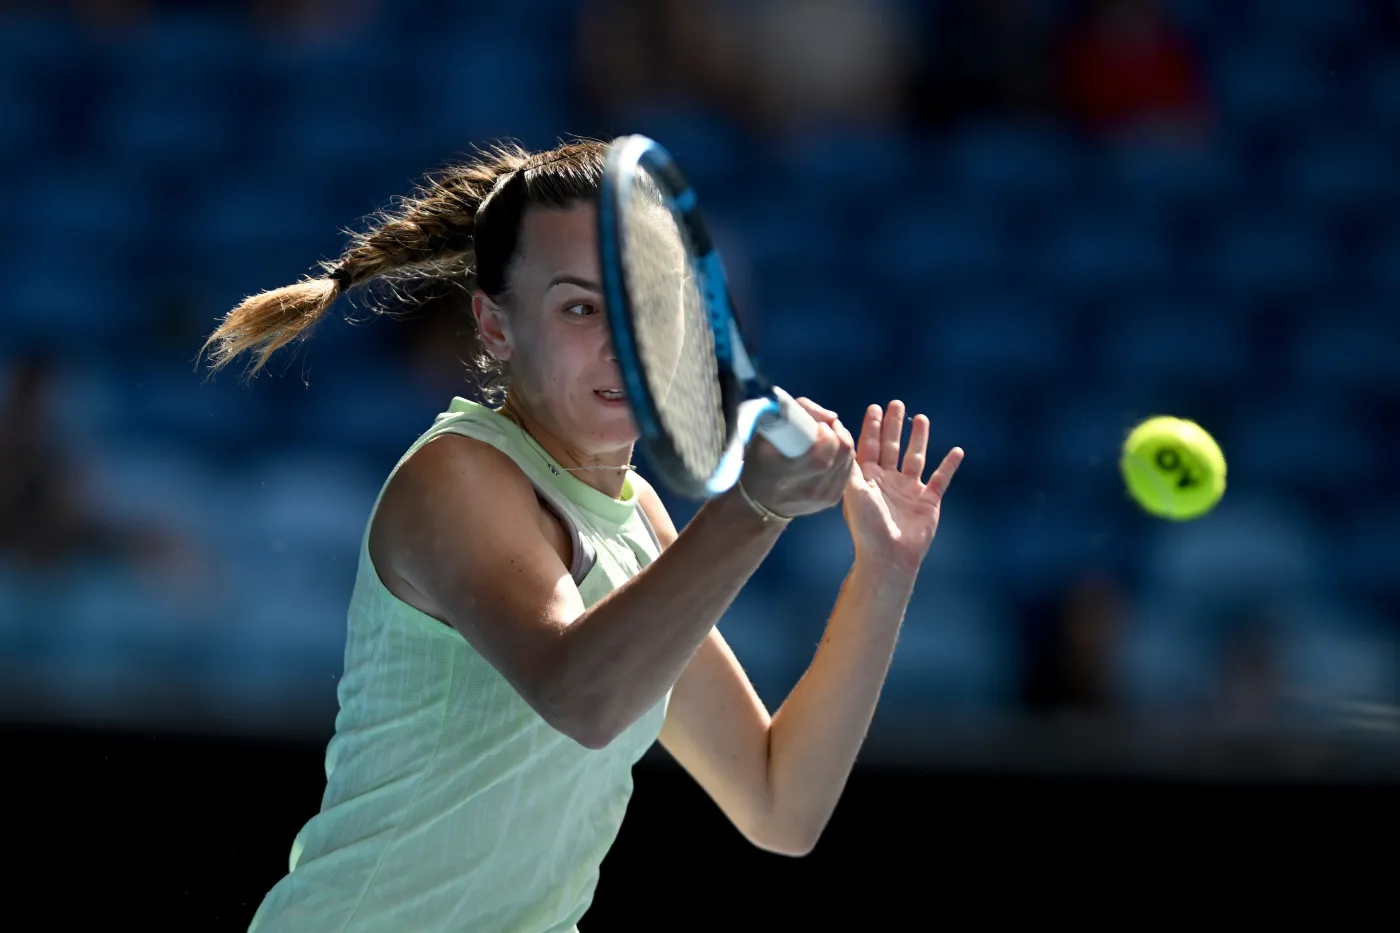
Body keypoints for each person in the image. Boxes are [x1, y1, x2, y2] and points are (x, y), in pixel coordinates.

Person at [203, 139, 963, 933]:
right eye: (579, 307)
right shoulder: (454, 477)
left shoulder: (641, 523)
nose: (625, 342)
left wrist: (884, 571)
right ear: (495, 326)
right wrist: (755, 508)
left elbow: (780, 803)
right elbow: (582, 695)